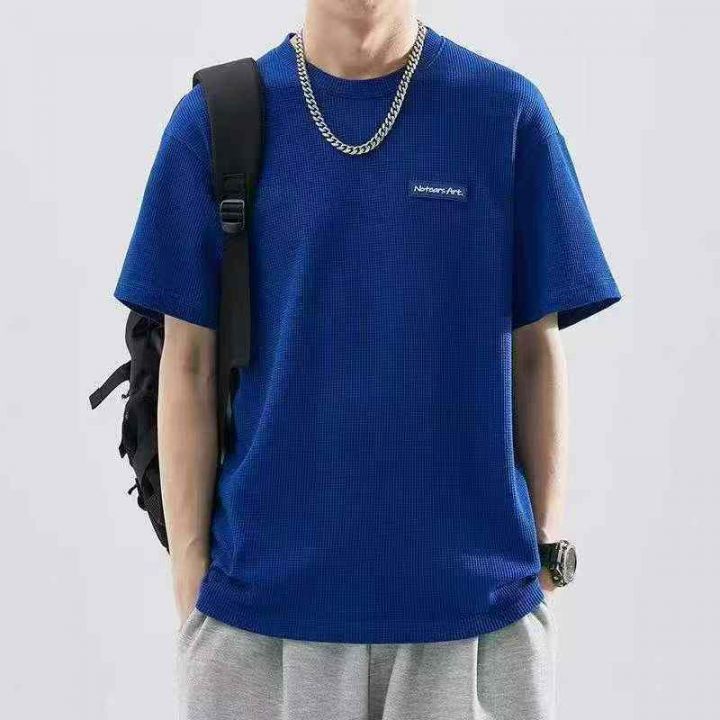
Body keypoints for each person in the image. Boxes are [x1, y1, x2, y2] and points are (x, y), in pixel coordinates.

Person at [113, 1, 621, 718]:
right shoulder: (212, 125)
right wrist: (191, 583)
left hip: (475, 617)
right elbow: (186, 362)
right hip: (260, 620)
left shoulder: (504, 112)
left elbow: (537, 351)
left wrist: (544, 551)